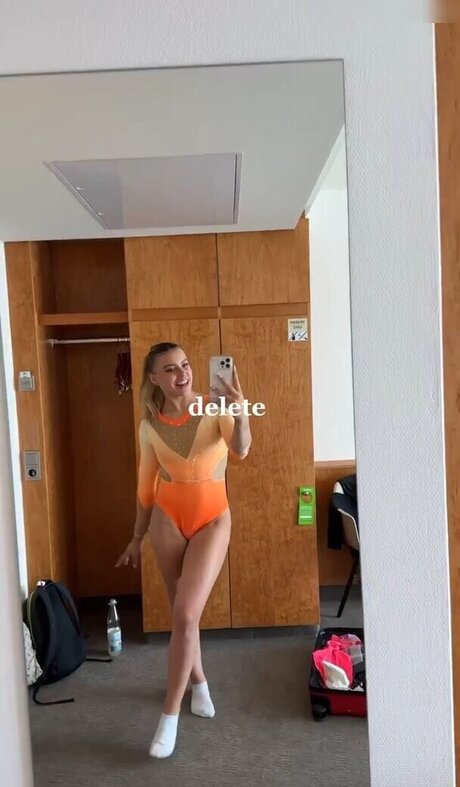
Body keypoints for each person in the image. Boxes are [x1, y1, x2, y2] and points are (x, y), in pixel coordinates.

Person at [115, 342, 252, 759]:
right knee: (182, 617)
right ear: (154, 378)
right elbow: (145, 488)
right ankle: (199, 683)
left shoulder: (215, 407)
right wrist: (136, 536)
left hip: (213, 520)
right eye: (171, 369)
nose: (183, 373)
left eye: (186, 365)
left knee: (187, 614)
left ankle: (169, 715)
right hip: (167, 520)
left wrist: (241, 412)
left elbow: (241, 450)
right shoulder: (149, 427)